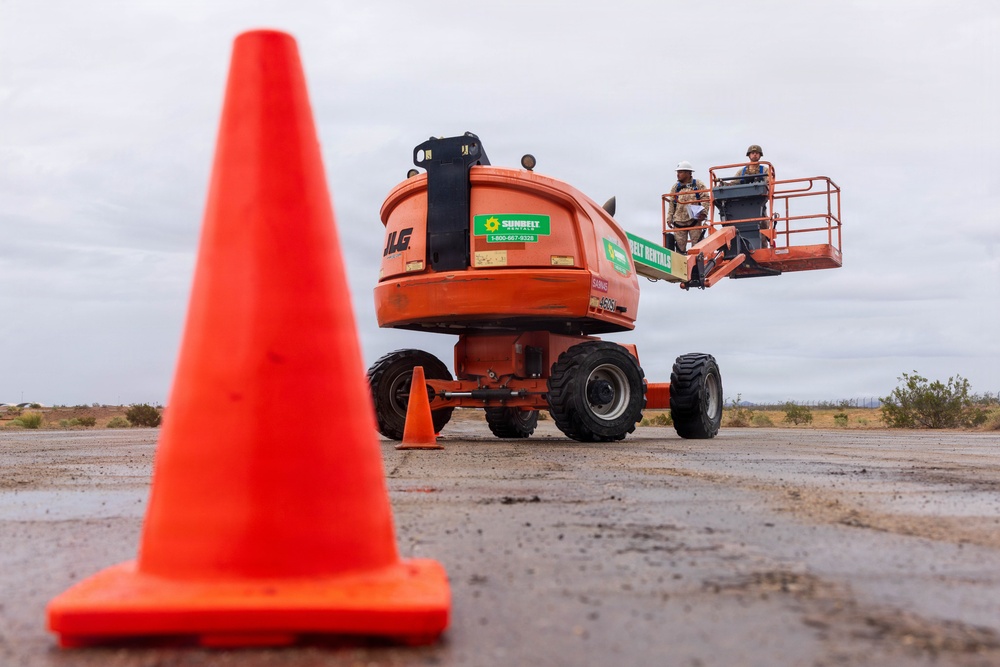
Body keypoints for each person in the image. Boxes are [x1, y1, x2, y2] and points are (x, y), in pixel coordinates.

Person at [665, 161, 709, 253]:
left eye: (680, 172)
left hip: (694, 220)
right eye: (678, 172)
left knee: (697, 246)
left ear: (688, 173)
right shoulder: (675, 187)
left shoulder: (698, 184)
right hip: (679, 222)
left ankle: (697, 261)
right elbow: (672, 203)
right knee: (680, 249)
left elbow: (705, 198)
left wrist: (704, 213)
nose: (678, 175)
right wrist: (669, 218)